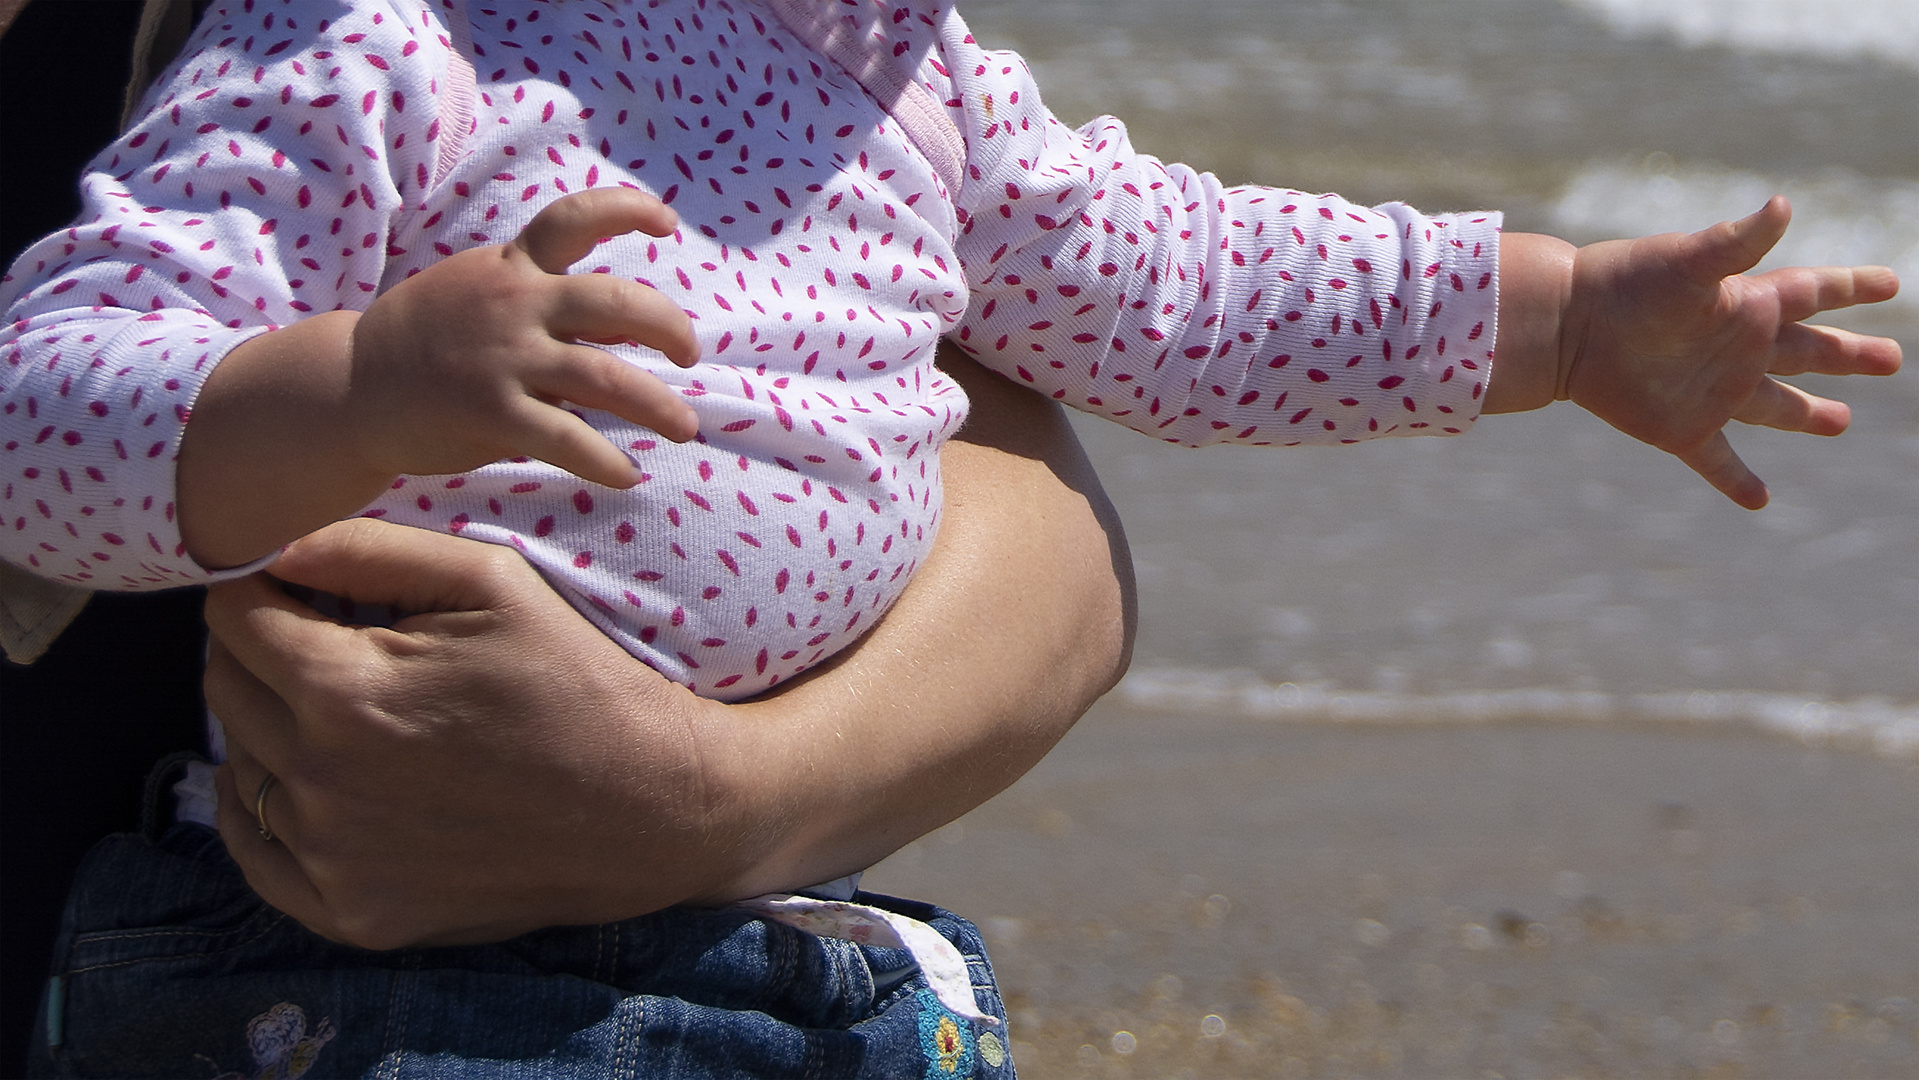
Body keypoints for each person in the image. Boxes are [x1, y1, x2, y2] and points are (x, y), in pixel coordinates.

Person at [0, 0, 1901, 1073]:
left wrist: (1559, 323)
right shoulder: (370, 42)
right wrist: (362, 389)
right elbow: (38, 428)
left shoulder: (912, 84)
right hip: (333, 970)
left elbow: (1196, 281)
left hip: (765, 948)